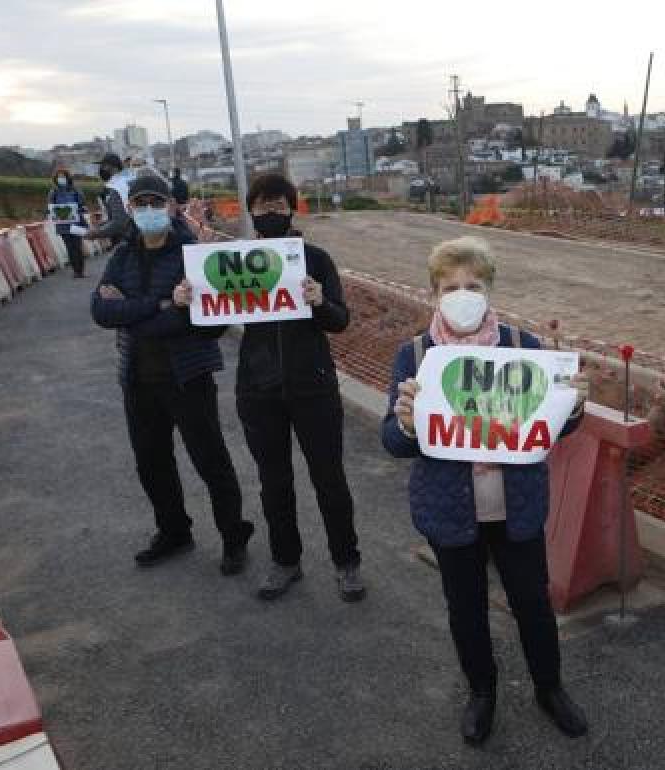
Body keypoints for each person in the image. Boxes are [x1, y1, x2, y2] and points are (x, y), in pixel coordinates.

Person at [382, 236, 591, 746]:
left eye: (472, 284)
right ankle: (482, 692)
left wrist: (575, 407)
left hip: (515, 506)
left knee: (533, 605)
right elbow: (392, 440)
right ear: (434, 293)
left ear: (490, 288)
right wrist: (408, 423)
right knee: (466, 608)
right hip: (450, 509)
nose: (462, 294)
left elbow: (554, 429)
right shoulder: (414, 355)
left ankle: (550, 687)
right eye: (450, 286)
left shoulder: (525, 349)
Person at [176, 172, 363, 602]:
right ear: (252, 211)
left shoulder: (315, 259)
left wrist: (321, 302)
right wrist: (191, 305)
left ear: (292, 208)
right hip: (257, 391)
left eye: (280, 205)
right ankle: (285, 561)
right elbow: (210, 329)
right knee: (273, 481)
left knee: (329, 479)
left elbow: (340, 320)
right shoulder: (233, 262)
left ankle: (346, 562)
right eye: (264, 206)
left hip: (313, 386)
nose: (272, 212)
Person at [90, 174, 254, 573]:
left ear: (172, 206)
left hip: (188, 376)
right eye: (141, 203)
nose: (149, 210)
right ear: (130, 208)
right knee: (151, 462)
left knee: (210, 460)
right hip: (138, 379)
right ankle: (174, 530)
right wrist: (164, 306)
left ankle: (234, 536)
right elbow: (101, 311)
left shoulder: (192, 257)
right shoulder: (122, 256)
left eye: (156, 202)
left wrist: (137, 311)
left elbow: (207, 324)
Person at [48, 167, 89, 278]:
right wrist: (53, 212)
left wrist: (80, 209)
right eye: (59, 177)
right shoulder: (53, 192)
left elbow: (83, 205)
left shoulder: (75, 190)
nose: (61, 179)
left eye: (63, 176)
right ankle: (76, 271)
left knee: (77, 246)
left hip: (77, 223)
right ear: (56, 179)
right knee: (70, 248)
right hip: (63, 225)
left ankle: (81, 270)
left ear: (68, 177)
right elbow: (50, 207)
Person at [85, 153, 131, 248]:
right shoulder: (126, 181)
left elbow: (120, 222)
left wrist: (97, 232)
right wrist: (102, 225)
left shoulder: (117, 187)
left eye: (104, 166)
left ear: (113, 167)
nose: (101, 169)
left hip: (127, 238)